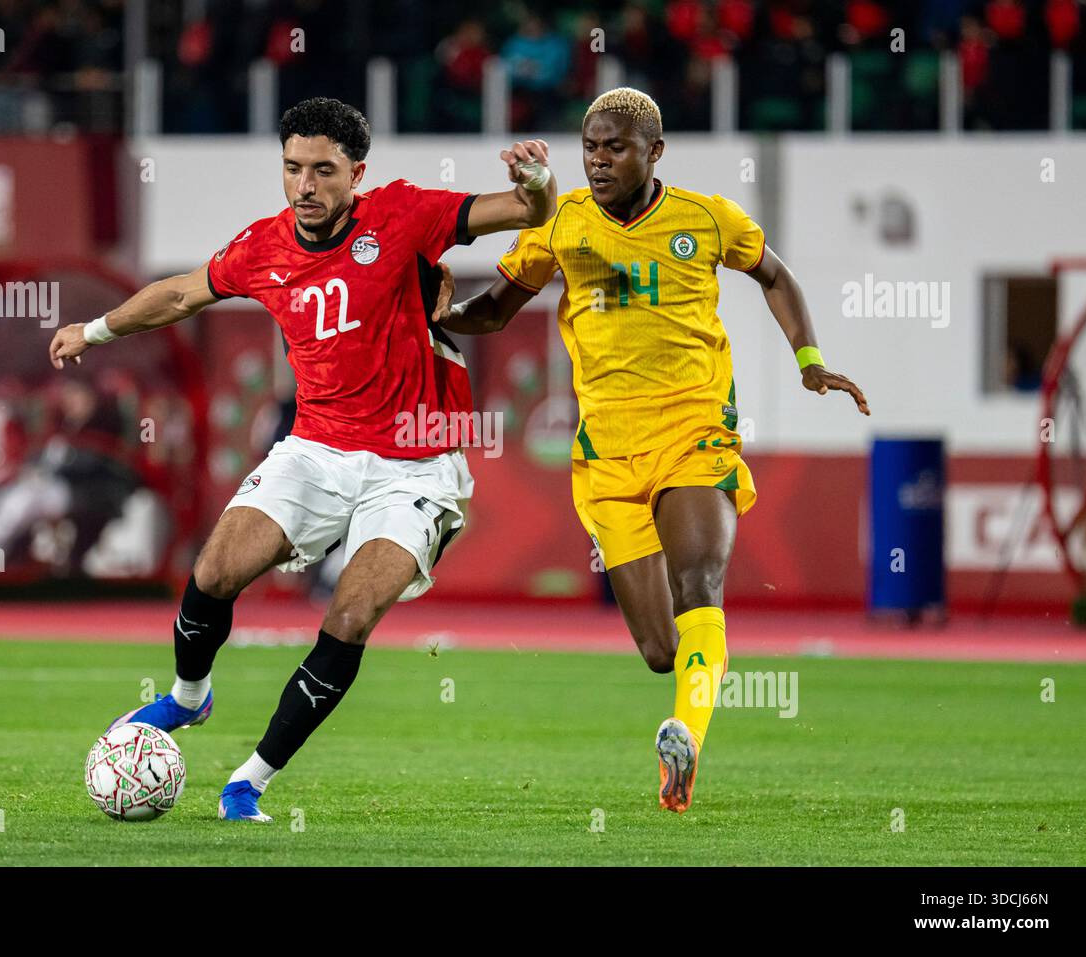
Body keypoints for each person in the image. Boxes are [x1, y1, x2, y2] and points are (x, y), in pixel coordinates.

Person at [48, 96, 556, 822]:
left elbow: (528, 211)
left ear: (357, 174)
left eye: (323, 170)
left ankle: (247, 780)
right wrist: (94, 330)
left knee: (348, 615)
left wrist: (537, 181)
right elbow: (179, 294)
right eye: (293, 169)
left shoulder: (406, 215)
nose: (305, 185)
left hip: (415, 462)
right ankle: (190, 698)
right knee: (214, 571)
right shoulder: (263, 246)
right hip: (316, 450)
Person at [439, 87, 869, 813]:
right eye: (591, 147)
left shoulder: (704, 218)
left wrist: (809, 358)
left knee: (700, 584)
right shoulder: (561, 222)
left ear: (654, 152)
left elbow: (776, 273)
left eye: (615, 147)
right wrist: (435, 317)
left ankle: (687, 736)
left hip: (693, 429)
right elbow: (497, 311)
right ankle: (684, 696)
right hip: (607, 453)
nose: (599, 161)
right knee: (662, 650)